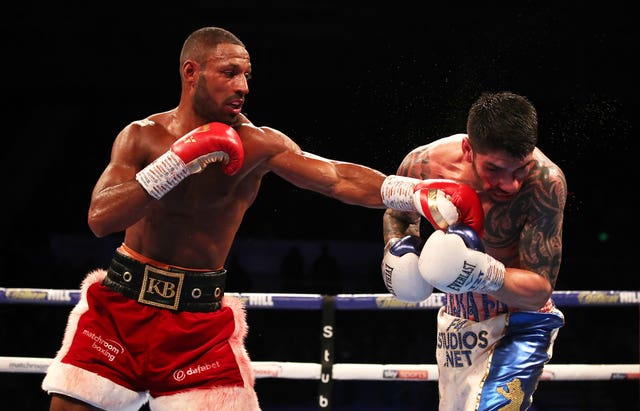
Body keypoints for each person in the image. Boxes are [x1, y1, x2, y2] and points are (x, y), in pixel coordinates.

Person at [39, 26, 424, 411]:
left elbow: (337, 179)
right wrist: (174, 164)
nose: (243, 86)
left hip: (198, 327)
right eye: (229, 73)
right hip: (119, 311)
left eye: (246, 75)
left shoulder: (257, 143)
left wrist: (419, 193)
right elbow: (100, 218)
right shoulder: (142, 136)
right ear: (191, 73)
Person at [380, 91, 566, 410]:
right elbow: (397, 211)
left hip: (522, 321)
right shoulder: (424, 164)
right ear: (469, 149)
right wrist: (397, 249)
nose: (511, 184)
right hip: (458, 321)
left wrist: (479, 272)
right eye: (494, 169)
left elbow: (539, 291)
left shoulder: (546, 183)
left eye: (519, 169)